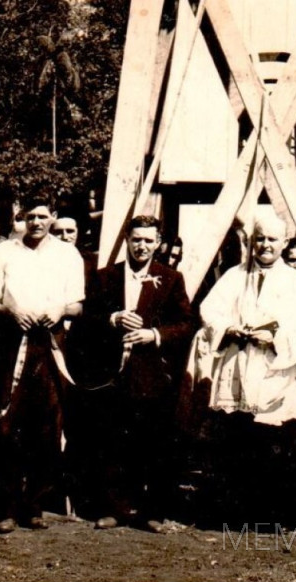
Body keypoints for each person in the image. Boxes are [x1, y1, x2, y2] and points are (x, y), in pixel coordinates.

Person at [199, 214, 296, 520]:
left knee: (273, 442)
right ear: (252, 241)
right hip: (238, 363)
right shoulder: (234, 275)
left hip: (273, 370)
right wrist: (228, 327)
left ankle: (272, 515)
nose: (265, 245)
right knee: (236, 438)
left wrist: (276, 337)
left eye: (272, 239)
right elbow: (209, 309)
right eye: (260, 238)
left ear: (284, 243)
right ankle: (234, 513)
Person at [0, 195, 85, 534]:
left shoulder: (68, 254)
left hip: (51, 344)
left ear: (53, 217)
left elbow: (77, 305)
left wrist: (59, 312)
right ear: (21, 218)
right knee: (8, 426)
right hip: (11, 345)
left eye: (43, 216)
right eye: (30, 216)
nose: (36, 222)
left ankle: (35, 504)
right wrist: (12, 312)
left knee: (48, 426)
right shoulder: (4, 252)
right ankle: (6, 508)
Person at [84, 216, 195, 532]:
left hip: (152, 375)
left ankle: (152, 512)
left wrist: (154, 335)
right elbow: (88, 318)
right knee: (112, 441)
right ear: (127, 240)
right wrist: (112, 318)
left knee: (153, 442)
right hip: (112, 373)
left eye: (148, 240)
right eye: (136, 240)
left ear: (158, 242)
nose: (142, 246)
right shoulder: (106, 277)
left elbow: (187, 324)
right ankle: (114, 508)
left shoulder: (171, 278)